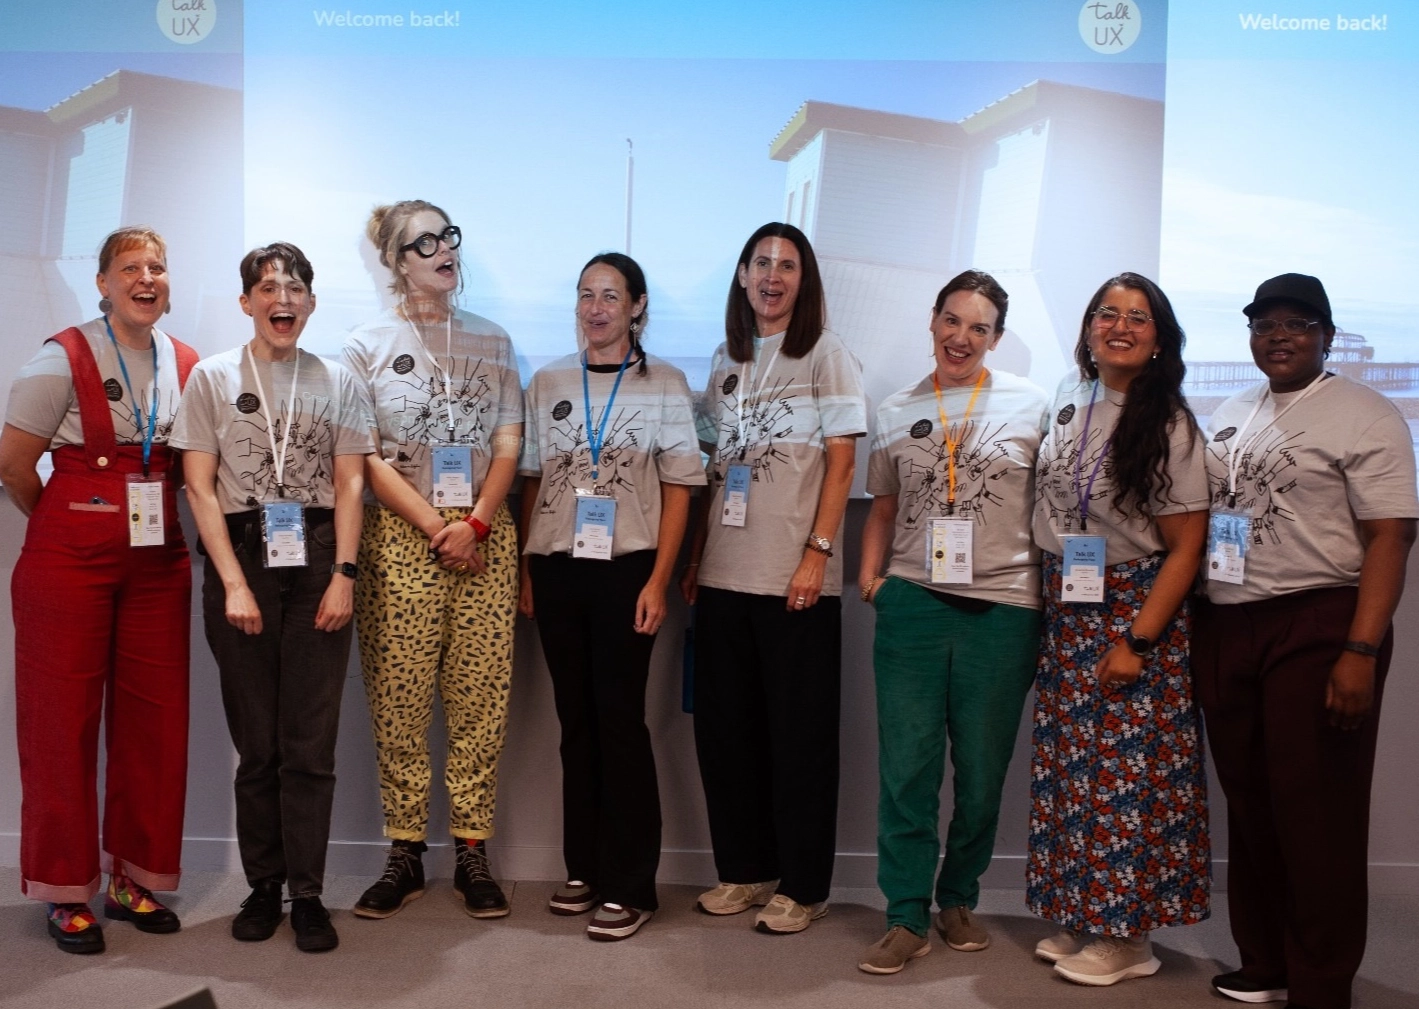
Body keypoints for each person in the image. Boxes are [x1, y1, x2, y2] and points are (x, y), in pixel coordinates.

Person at [1193, 274, 1417, 1009]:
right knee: (1250, 802)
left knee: (1315, 810)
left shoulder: (1365, 412)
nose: (1278, 336)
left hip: (1319, 621)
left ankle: (1320, 983)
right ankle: (1264, 961)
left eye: (1296, 324)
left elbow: (1390, 534)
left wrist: (1359, 650)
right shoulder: (1228, 410)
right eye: (1263, 324)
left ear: (1326, 334)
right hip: (1227, 620)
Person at [171, 242, 373, 952]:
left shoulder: (339, 378)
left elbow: (351, 481)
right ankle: (263, 886)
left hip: (318, 557)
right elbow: (198, 485)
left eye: (294, 288)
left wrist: (345, 574)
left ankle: (308, 893)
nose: (280, 298)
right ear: (246, 301)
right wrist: (231, 581)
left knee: (309, 745)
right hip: (242, 557)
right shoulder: (212, 377)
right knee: (257, 744)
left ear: (311, 303)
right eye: (266, 287)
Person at [1, 227, 198, 954]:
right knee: (61, 724)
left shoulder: (186, 362)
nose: (146, 278)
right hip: (67, 562)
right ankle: (64, 888)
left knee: (156, 724)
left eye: (157, 267)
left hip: (160, 563)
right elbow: (15, 466)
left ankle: (133, 877)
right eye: (130, 268)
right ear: (103, 284)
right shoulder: (61, 356)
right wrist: (68, 520)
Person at [854, 271, 1048, 974]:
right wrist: (873, 580)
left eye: (979, 327)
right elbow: (880, 504)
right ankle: (904, 912)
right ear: (932, 320)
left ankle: (957, 896)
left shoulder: (1032, 403)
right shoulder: (896, 406)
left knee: (982, 770)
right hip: (912, 602)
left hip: (1002, 609)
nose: (961, 337)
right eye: (952, 321)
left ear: (995, 338)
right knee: (906, 767)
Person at [680, 222, 866, 934]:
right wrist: (696, 554)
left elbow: (842, 463)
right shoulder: (723, 361)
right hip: (724, 575)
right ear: (740, 274)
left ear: (803, 281)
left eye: (787, 265)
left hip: (794, 579)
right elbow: (709, 472)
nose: (772, 275)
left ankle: (804, 883)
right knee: (728, 736)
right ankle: (745, 870)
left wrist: (818, 552)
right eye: (761, 262)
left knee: (800, 738)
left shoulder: (825, 354)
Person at [1028, 272, 1211, 985]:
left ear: (1158, 339)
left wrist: (1136, 640)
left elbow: (1186, 546)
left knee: (1129, 778)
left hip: (1135, 607)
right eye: (1106, 312)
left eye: (1137, 317)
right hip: (1069, 605)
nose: (1119, 325)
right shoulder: (1067, 400)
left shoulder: (1168, 422)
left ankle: (1128, 937)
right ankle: (1085, 913)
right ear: (1087, 329)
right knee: (1073, 775)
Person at [343, 201, 523, 920]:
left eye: (448, 236)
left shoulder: (495, 340)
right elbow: (361, 453)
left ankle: (472, 850)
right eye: (424, 242)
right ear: (396, 261)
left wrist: (474, 522)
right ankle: (406, 852)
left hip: (484, 539)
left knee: (481, 701)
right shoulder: (364, 344)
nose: (444, 249)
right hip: (400, 540)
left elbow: (508, 445)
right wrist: (431, 524)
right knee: (400, 703)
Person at [518, 252, 703, 941]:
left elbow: (682, 486)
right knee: (576, 722)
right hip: (559, 566)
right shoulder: (549, 381)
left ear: (637, 307)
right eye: (585, 295)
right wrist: (527, 568)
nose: (596, 308)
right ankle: (586, 867)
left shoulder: (666, 383)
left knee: (620, 720)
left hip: (629, 569)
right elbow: (532, 477)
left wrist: (660, 577)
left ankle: (633, 884)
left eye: (610, 296)